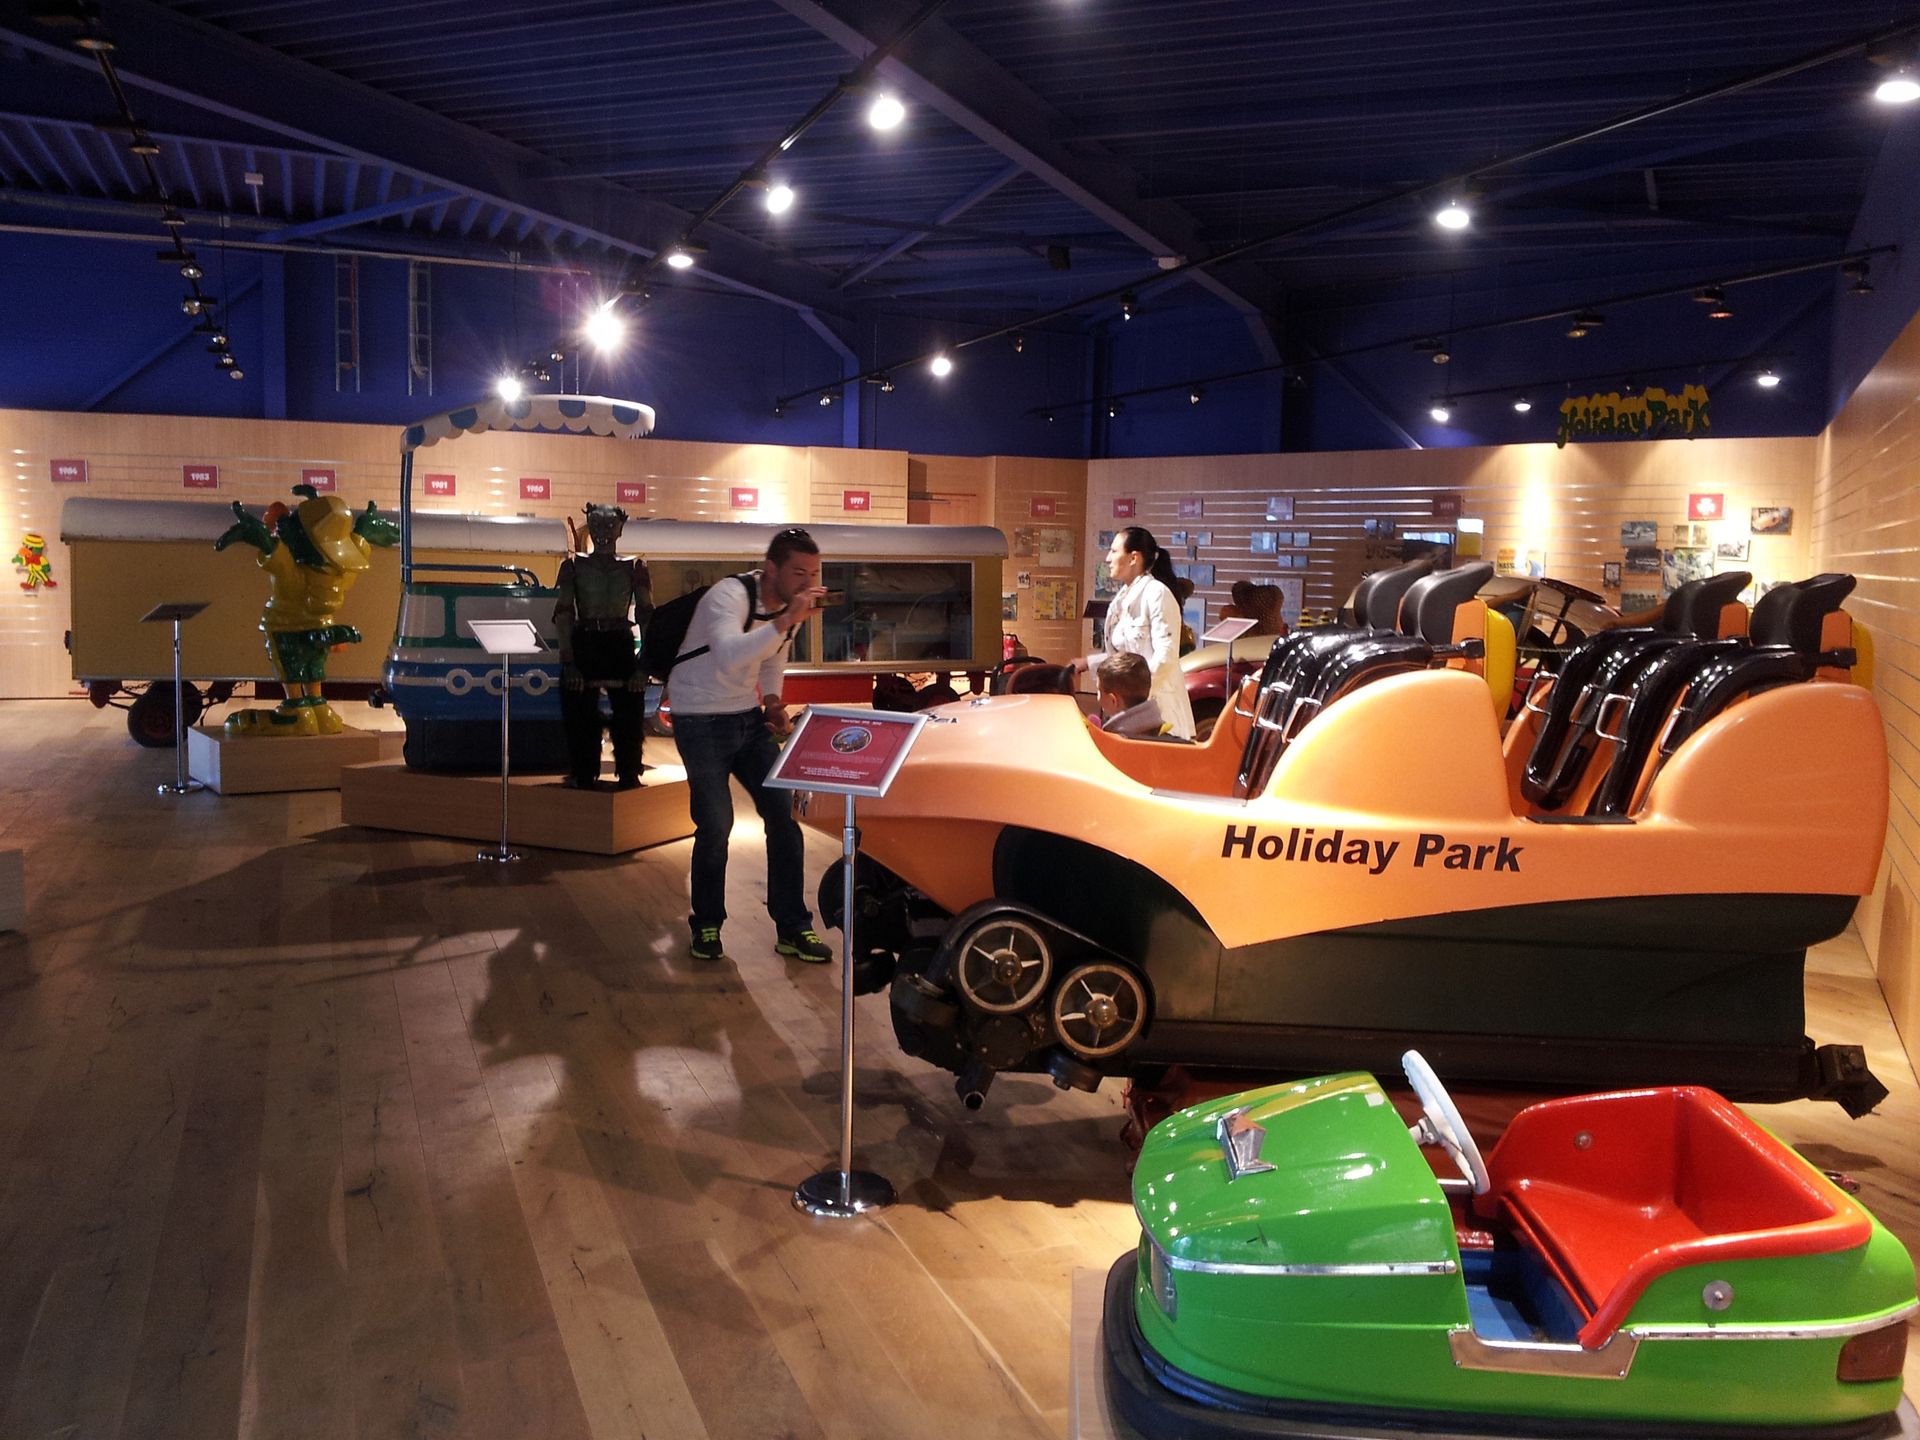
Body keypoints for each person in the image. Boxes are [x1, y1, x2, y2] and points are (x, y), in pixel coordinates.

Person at [670, 527, 833, 964]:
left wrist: (773, 703)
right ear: (771, 569)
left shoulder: (786, 609)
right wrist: (786, 620)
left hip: (746, 716)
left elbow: (772, 658)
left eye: (814, 574)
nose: (807, 583)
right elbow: (729, 655)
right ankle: (707, 923)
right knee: (716, 824)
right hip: (698, 717)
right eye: (799, 573)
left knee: (784, 816)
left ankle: (793, 926)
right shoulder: (728, 596)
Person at [554, 504, 652, 789]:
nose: (603, 531)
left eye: (610, 525)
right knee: (580, 715)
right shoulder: (573, 567)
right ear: (589, 526)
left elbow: (646, 614)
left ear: (621, 529)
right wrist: (569, 662)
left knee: (630, 715)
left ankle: (629, 771)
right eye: (596, 524)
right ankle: (582, 773)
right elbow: (563, 613)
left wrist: (643, 666)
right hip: (585, 643)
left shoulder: (635, 568)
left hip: (619, 643)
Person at [1071, 526, 1196, 739]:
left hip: (1157, 714)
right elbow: (1124, 658)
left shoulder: (1157, 593)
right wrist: (1087, 663)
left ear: (1133, 558)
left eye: (1114, 551)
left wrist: (1133, 692)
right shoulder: (1122, 596)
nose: (1108, 558)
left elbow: (1165, 659)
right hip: (1128, 713)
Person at [1089, 652, 1164, 736]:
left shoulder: (1106, 742)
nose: (1098, 698)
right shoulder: (1166, 737)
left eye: (1099, 690)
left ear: (1113, 700)